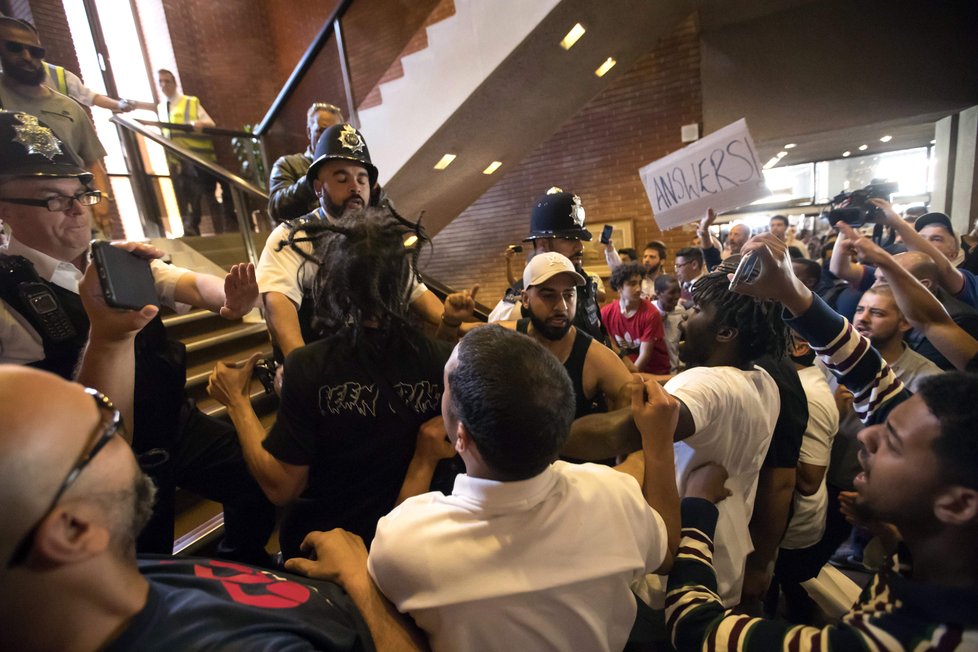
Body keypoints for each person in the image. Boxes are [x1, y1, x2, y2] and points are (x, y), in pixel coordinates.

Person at [667, 232, 978, 650]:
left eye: (893, 442)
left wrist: (698, 513)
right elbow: (871, 378)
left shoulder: (903, 640)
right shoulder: (949, 549)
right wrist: (790, 291)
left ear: (956, 505)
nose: (866, 433)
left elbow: (696, 628)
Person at [287, 325, 684, 652]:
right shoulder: (613, 496)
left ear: (461, 436)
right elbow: (665, 551)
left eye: (445, 388)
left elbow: (393, 592)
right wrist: (658, 444)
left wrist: (359, 576)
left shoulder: (407, 540)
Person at [0, 111, 273, 562]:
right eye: (53, 199)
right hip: (100, 461)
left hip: (172, 422)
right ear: (5, 209)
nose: (76, 210)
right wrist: (108, 338)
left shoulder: (112, 258)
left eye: (81, 194)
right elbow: (76, 432)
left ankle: (237, 564)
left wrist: (228, 296)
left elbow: (181, 281)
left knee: (254, 480)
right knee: (146, 557)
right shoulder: (9, 301)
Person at [211, 205, 455, 560]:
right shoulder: (446, 360)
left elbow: (281, 487)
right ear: (404, 281)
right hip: (420, 545)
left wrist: (236, 402)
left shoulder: (308, 367)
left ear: (335, 281)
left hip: (323, 551)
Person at [565, 260, 786, 607]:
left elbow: (613, 435)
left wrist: (543, 430)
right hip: (723, 557)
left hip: (678, 566)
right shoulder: (763, 380)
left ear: (726, 332)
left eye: (698, 310)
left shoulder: (706, 384)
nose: (686, 318)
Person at [256, 122, 443, 361]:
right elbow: (278, 301)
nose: (355, 187)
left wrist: (458, 321)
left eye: (362, 180)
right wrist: (299, 366)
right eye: (342, 179)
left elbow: (415, 292)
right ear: (318, 188)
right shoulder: (291, 237)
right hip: (322, 366)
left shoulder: (380, 238)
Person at [481, 251, 633, 420]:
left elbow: (638, 409)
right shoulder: (505, 338)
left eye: (569, 295)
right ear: (525, 299)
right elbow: (464, 334)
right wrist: (450, 322)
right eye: (548, 295)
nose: (562, 307)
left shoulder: (596, 358)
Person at [0, 19, 106, 172]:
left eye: (36, 51)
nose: (27, 57)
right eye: (14, 48)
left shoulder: (70, 107)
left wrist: (101, 195)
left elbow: (93, 164)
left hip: (71, 192)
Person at [156, 68, 235, 235]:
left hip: (200, 157)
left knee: (203, 192)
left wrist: (198, 124)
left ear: (174, 82)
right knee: (190, 194)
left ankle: (218, 226)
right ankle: (192, 227)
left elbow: (209, 123)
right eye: (160, 82)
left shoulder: (190, 102)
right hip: (179, 159)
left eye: (167, 81)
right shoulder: (161, 108)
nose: (164, 85)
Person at [853, 285, 943, 391]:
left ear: (905, 323)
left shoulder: (929, 380)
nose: (862, 318)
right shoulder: (835, 355)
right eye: (859, 310)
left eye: (877, 313)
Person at [267, 102, 345, 222]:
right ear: (309, 131)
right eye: (321, 131)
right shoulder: (287, 164)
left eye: (334, 133)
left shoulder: (350, 167)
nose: (328, 138)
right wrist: (312, 179)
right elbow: (276, 208)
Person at [601, 262, 670, 374]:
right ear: (619, 287)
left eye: (639, 283)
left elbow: (644, 355)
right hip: (625, 370)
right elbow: (612, 350)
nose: (638, 289)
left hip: (653, 372)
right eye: (632, 284)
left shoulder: (651, 313)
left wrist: (627, 377)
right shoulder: (606, 313)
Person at [652, 274, 685, 373]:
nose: (677, 297)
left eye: (678, 292)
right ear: (658, 293)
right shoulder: (649, 311)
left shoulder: (681, 311)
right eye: (671, 293)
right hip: (654, 371)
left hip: (674, 370)